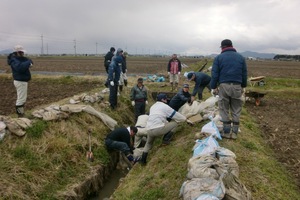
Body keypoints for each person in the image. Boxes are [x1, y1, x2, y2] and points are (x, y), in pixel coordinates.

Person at [210, 39, 247, 140]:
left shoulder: (218, 58)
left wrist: (213, 86)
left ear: (222, 47)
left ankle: (226, 132)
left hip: (224, 86)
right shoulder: (241, 58)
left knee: (224, 108)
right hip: (237, 86)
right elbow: (244, 74)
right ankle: (234, 133)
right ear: (232, 46)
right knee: (236, 108)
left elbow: (215, 74)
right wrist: (243, 85)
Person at [140, 93, 187, 165]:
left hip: (149, 129)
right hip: (158, 129)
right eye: (166, 99)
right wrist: (185, 119)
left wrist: (166, 123)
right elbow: (176, 115)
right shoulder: (164, 106)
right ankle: (166, 140)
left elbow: (159, 117)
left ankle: (143, 161)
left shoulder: (152, 107)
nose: (166, 101)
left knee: (148, 144)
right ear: (163, 100)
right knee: (175, 123)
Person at [7, 45, 33, 117]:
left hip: (21, 81)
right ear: (17, 52)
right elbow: (20, 68)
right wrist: (28, 62)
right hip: (20, 81)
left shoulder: (15, 59)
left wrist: (28, 61)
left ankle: (21, 114)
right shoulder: (14, 60)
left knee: (22, 98)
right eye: (21, 52)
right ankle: (20, 115)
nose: (22, 54)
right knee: (21, 99)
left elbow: (23, 64)